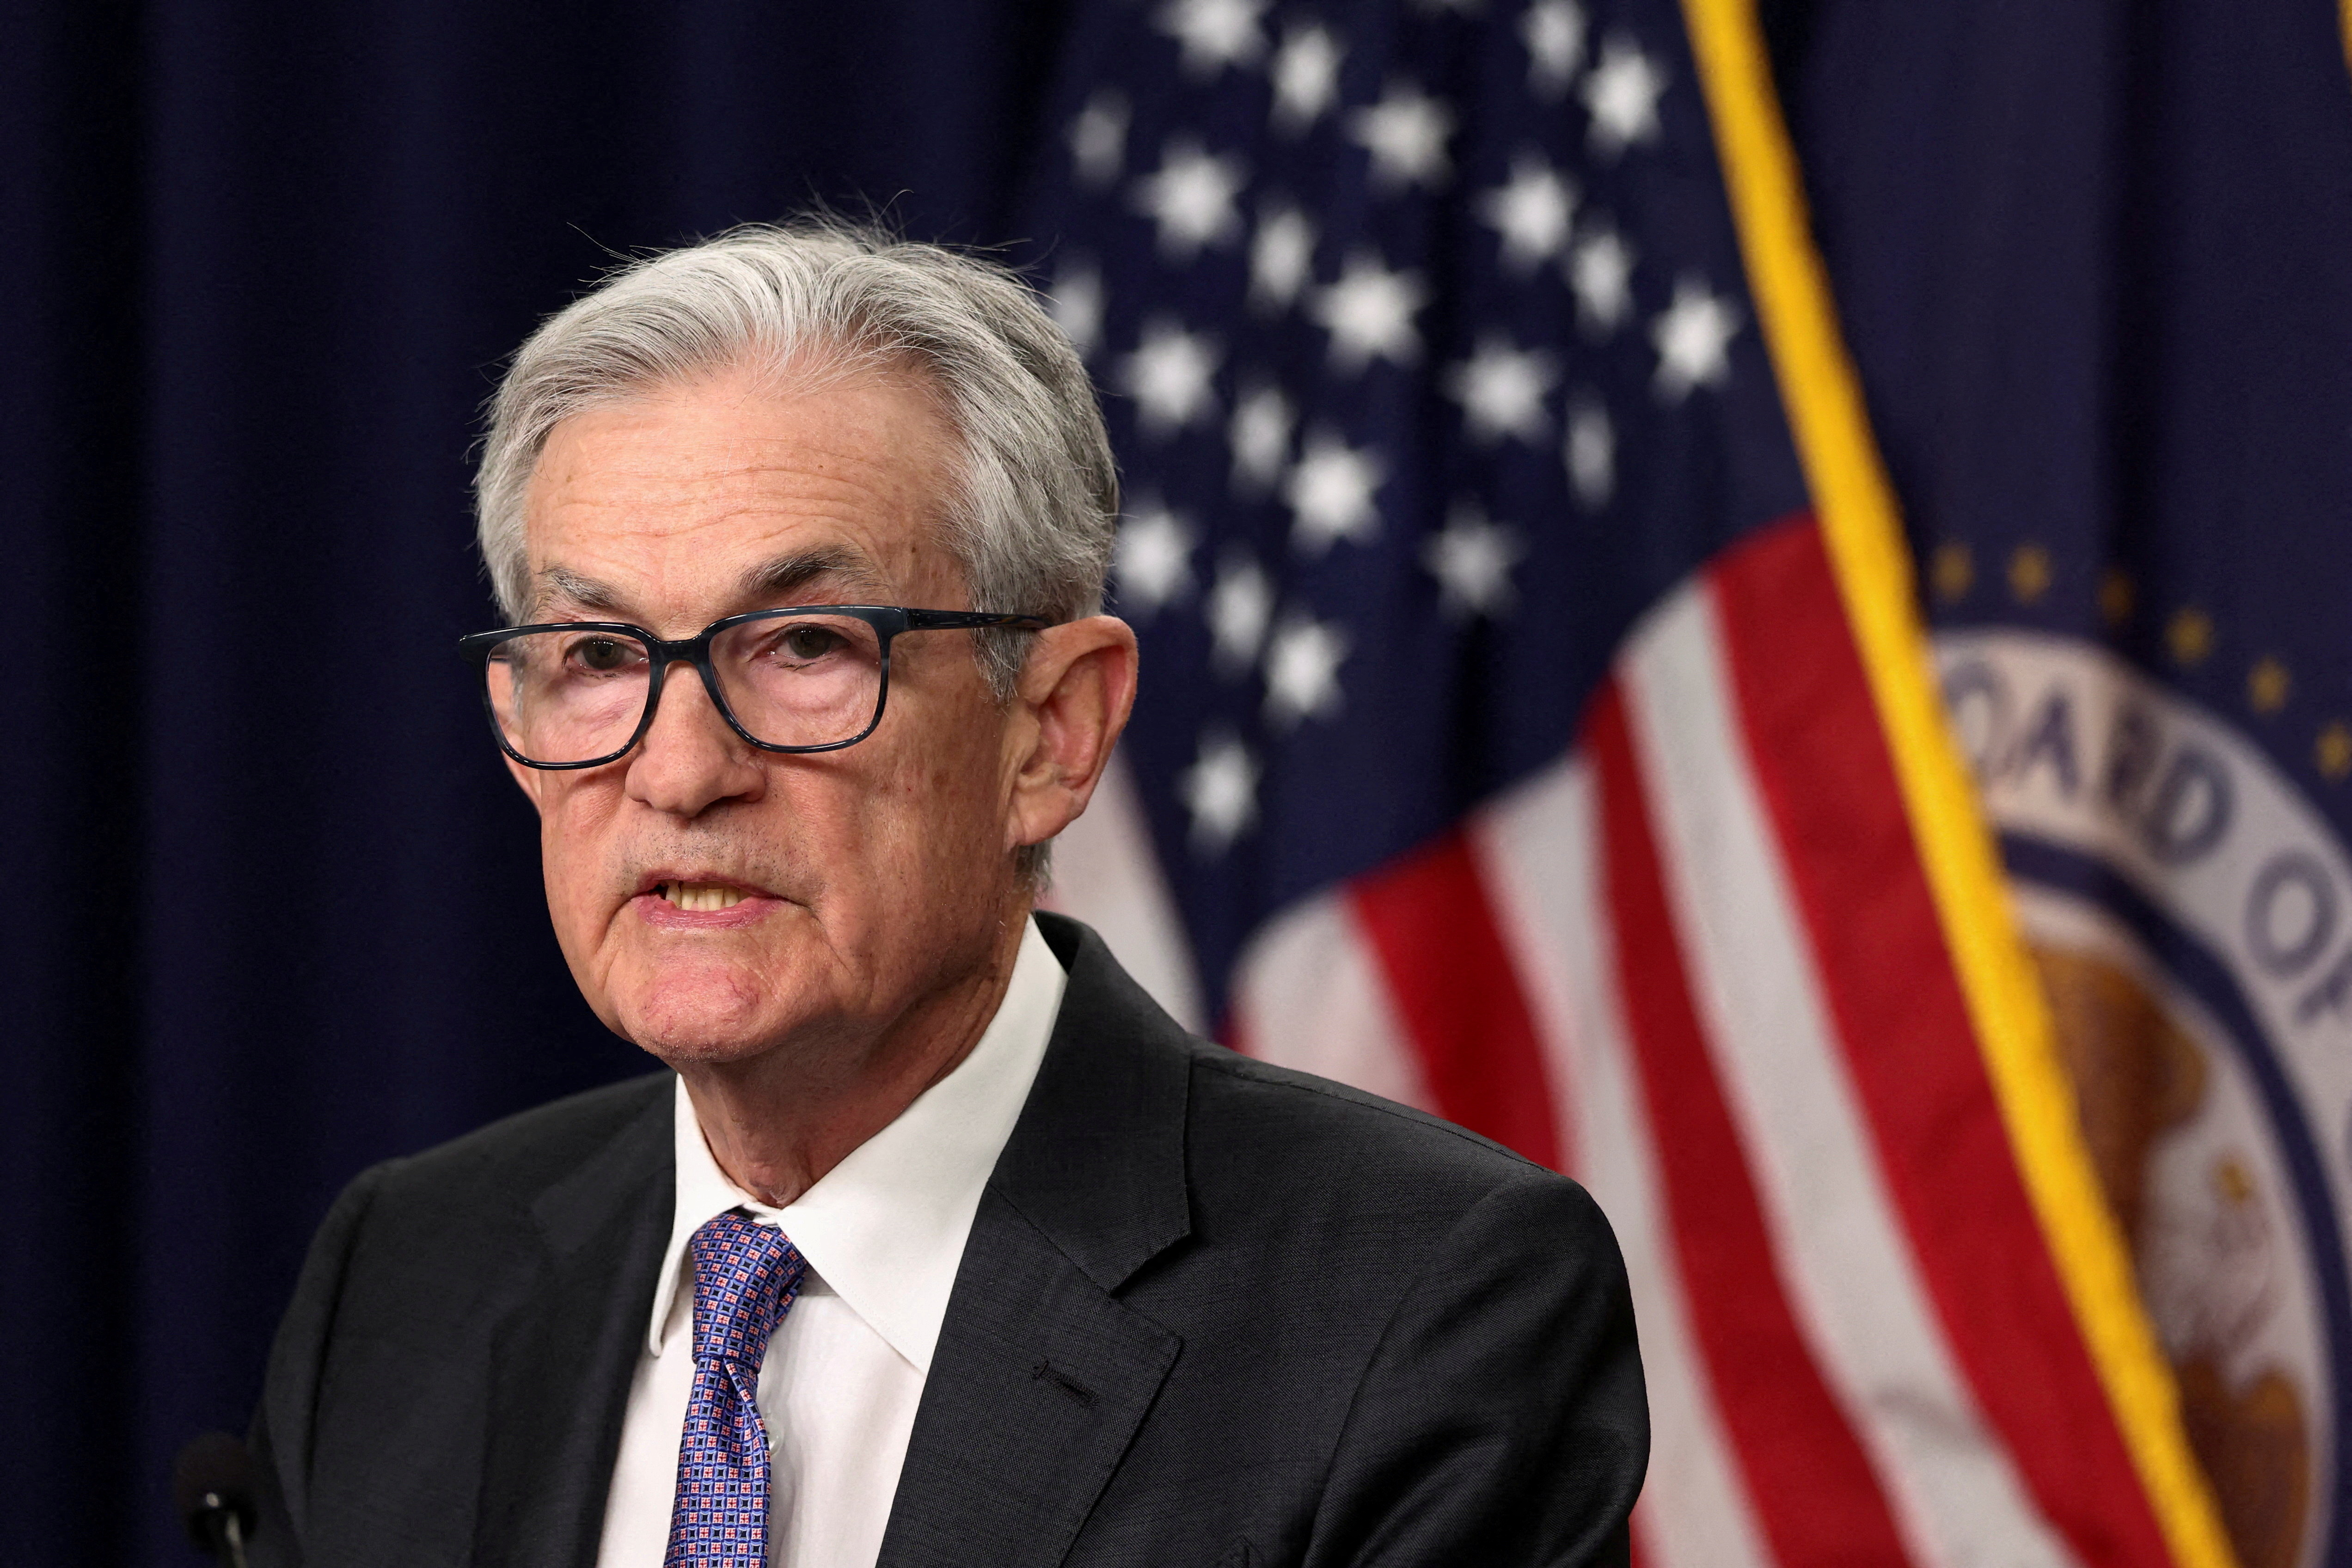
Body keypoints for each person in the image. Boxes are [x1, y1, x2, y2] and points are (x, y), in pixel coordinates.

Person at [247, 220, 1647, 1568]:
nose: (678, 771)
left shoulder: (1420, 1305)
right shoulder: (407, 1277)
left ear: (1052, 730)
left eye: (802, 644)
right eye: (600, 656)